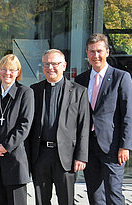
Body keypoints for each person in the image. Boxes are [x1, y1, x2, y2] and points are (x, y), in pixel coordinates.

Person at [75, 33, 132, 205]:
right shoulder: (81, 80)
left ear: (107, 52)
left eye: (99, 51)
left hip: (112, 146)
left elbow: (129, 115)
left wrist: (125, 146)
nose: (96, 56)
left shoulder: (121, 77)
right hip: (88, 146)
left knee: (113, 193)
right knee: (94, 195)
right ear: (87, 54)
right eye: (92, 52)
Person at [30, 49, 89, 205]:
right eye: (46, 64)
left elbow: (84, 126)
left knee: (66, 200)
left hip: (66, 157)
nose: (50, 68)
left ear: (64, 66)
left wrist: (81, 156)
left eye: (54, 64)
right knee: (41, 200)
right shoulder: (34, 90)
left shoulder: (79, 91)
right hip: (40, 155)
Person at [0, 54, 34, 205]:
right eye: (3, 69)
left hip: (14, 161)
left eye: (12, 69)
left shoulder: (25, 93)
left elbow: (25, 124)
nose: (7, 73)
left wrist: (6, 146)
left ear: (18, 72)